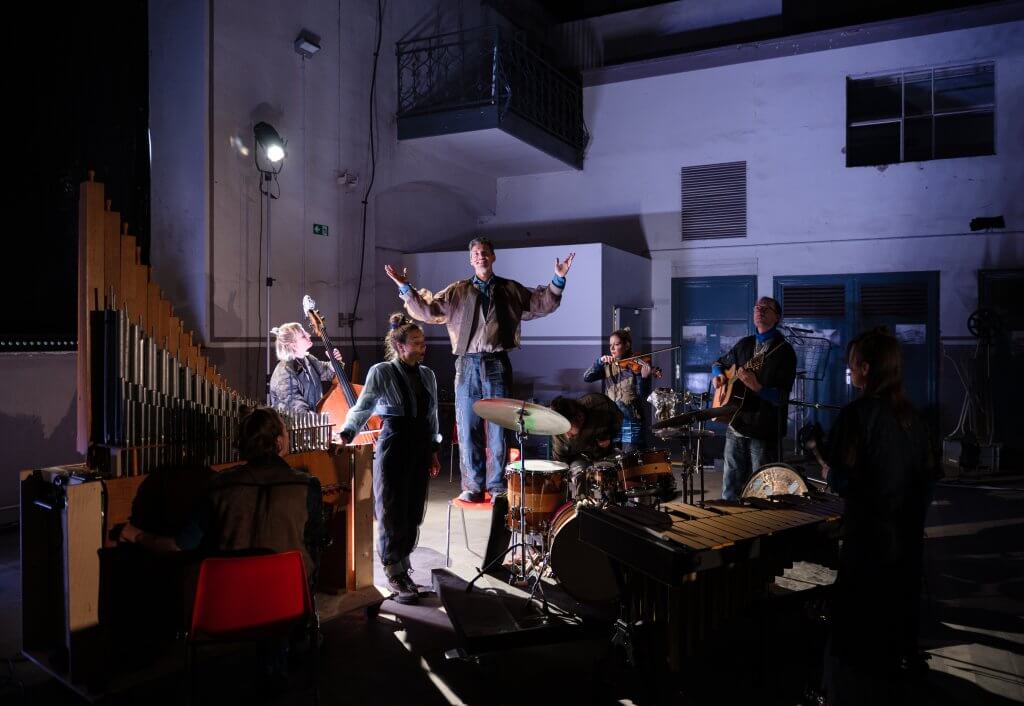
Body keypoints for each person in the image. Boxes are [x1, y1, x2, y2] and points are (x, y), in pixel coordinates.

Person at [385, 237, 575, 504]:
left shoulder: (509, 289)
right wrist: (405, 287)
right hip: (467, 363)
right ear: (470, 259)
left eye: (485, 252)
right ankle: (473, 485)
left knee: (498, 428)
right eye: (475, 253)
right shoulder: (458, 291)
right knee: (467, 425)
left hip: (497, 363)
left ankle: (497, 485)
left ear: (493, 257)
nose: (480, 256)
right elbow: (428, 311)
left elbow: (540, 303)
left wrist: (557, 279)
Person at [822, 328, 937, 705]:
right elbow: (925, 481)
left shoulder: (857, 415)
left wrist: (825, 467)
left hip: (867, 547)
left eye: (853, 365)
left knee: (855, 652)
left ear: (866, 368)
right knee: (891, 648)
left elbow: (843, 480)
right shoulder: (914, 419)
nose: (850, 371)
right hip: (906, 552)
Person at [120, 407, 326, 584]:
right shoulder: (307, 485)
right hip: (289, 602)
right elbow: (315, 546)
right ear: (279, 443)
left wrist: (136, 535)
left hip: (231, 607)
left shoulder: (219, 486)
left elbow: (181, 545)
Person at [337, 313, 442, 605]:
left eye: (423, 343)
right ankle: (392, 569)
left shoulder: (427, 375)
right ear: (399, 345)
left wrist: (434, 449)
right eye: (417, 343)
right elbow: (364, 405)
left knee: (413, 508)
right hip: (395, 442)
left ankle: (404, 563)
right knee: (391, 507)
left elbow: (431, 415)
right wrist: (348, 431)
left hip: (420, 443)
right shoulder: (381, 372)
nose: (423, 348)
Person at [711, 296, 797, 501]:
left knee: (763, 483)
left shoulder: (784, 352)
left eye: (766, 308)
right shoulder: (744, 344)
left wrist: (758, 387)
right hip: (737, 421)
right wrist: (718, 375)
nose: (760, 310)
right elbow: (718, 362)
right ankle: (729, 521)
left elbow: (782, 397)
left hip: (764, 426)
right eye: (758, 307)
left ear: (777, 317)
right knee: (730, 479)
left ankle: (761, 524)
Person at [584, 328, 653, 452]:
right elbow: (587, 377)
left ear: (627, 345)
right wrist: (599, 362)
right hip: (611, 420)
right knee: (613, 458)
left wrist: (643, 378)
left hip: (631, 420)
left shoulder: (637, 365)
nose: (612, 348)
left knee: (630, 458)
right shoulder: (607, 365)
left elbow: (642, 394)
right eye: (610, 345)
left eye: (616, 344)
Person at [550, 393, 623, 498]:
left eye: (569, 429)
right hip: (578, 460)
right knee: (580, 475)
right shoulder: (559, 432)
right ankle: (582, 507)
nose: (567, 435)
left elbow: (618, 419)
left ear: (579, 417)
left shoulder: (599, 405)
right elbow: (560, 461)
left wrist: (609, 436)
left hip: (605, 454)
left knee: (616, 475)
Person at [268, 322, 344, 414]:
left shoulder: (308, 359)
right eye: (303, 336)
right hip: (294, 426)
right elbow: (296, 409)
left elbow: (326, 372)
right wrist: (321, 420)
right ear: (293, 345)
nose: (308, 334)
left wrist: (334, 362)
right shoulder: (284, 372)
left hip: (312, 421)